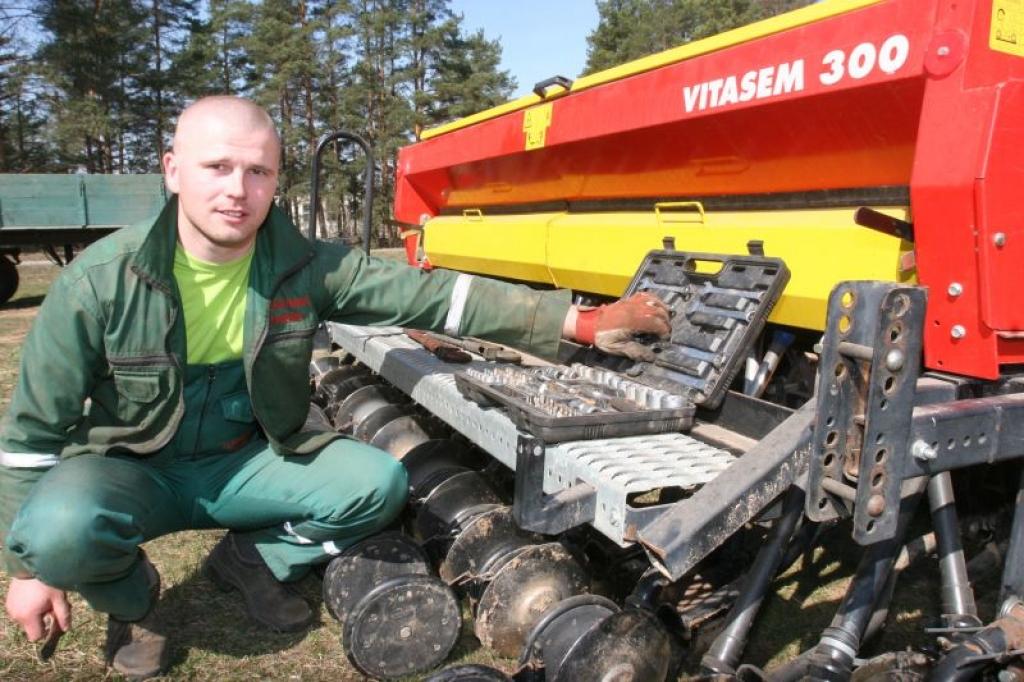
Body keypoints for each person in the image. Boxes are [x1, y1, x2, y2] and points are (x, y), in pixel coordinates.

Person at [0, 96, 670, 679]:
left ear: (275, 182)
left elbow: (433, 298)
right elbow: (31, 438)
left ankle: (255, 559)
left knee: (376, 485)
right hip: (135, 470)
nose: (237, 189)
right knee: (57, 533)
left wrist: (576, 319)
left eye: (258, 171)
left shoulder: (307, 266)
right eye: (217, 167)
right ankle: (132, 603)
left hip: (247, 459)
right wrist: (27, 571)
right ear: (173, 170)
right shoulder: (98, 282)